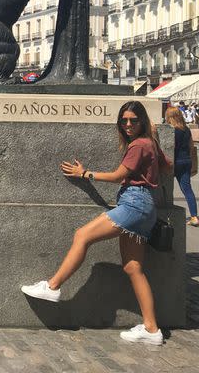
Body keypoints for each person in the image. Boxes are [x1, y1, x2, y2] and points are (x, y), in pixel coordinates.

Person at [21, 100, 167, 345]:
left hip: (133, 205)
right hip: (145, 207)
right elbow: (167, 167)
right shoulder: (150, 144)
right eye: (124, 121)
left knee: (82, 235)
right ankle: (152, 329)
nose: (128, 125)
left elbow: (119, 176)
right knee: (133, 268)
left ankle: (53, 286)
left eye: (133, 120)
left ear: (142, 121)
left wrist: (85, 174)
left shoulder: (139, 145)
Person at [165, 107, 199, 227]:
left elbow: (170, 148)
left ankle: (165, 214)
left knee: (164, 186)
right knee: (187, 189)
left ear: (170, 117)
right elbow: (191, 146)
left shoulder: (172, 131)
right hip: (186, 161)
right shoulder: (186, 129)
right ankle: (194, 216)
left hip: (175, 162)